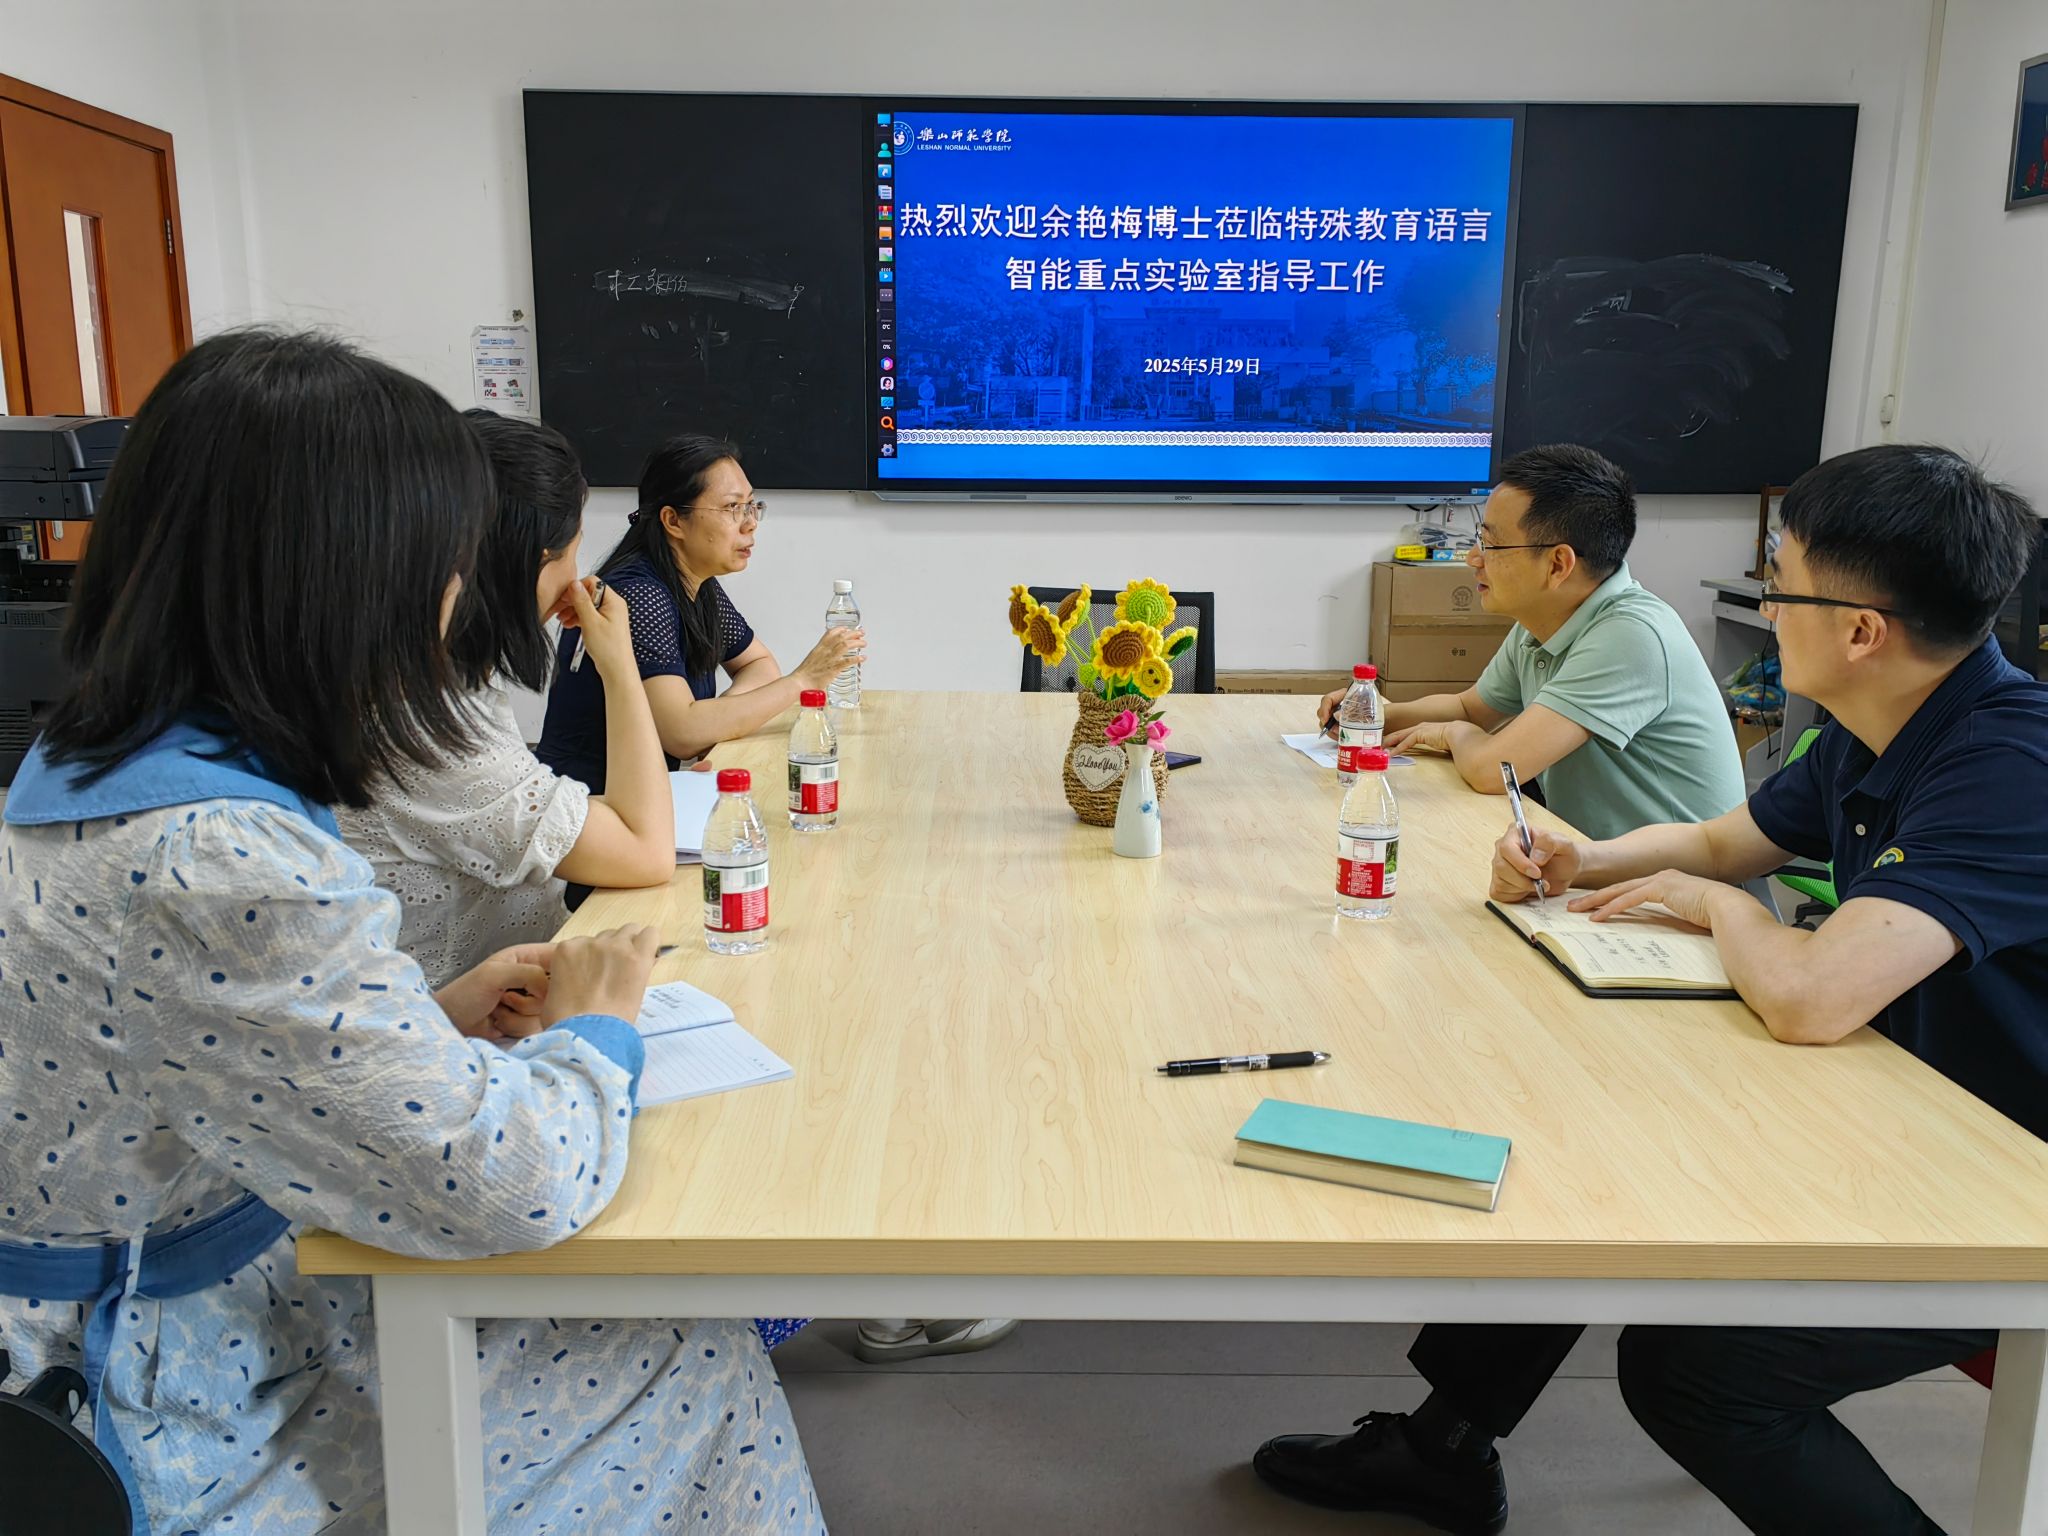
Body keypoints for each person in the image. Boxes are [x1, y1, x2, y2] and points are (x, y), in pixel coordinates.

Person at [0, 330, 822, 1533]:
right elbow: (510, 1183)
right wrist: (598, 1032)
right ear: (344, 574)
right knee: (683, 1356)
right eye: (441, 561)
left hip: (149, 1301)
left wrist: (421, 1020)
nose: (453, 596)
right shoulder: (221, 860)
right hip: (160, 1395)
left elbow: (192, 1054)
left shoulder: (95, 763)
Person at [1257, 444, 2047, 1536]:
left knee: (1693, 1373)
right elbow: (1727, 840)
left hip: (2002, 1180)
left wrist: (1720, 910)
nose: (1765, 610)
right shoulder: (1881, 724)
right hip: (1901, 1102)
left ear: (1862, 630)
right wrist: (1588, 861)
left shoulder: (2008, 765)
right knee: (1584, 1134)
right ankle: (1444, 1447)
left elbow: (1811, 996)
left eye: (1781, 586)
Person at [336, 412, 673, 987]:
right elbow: (648, 852)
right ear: (528, 563)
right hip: (477, 1016)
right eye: (571, 552)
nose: (577, 577)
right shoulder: (425, 723)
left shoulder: (431, 678)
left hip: (518, 983)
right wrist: (618, 663)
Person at [1320, 444, 1745, 840]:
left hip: (1678, 884)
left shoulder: (1631, 635)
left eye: (1491, 544)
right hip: (1597, 863)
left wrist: (1453, 734)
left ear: (1558, 564)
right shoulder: (1547, 617)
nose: (1473, 558)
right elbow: (1470, 708)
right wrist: (1369, 714)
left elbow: (1493, 769)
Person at [537, 434, 865, 789]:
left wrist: (716, 724)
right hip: (588, 801)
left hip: (644, 793)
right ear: (673, 521)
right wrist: (802, 681)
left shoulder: (695, 582)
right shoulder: (639, 595)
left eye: (752, 506)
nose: (750, 523)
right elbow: (682, 733)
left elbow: (759, 665)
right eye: (732, 508)